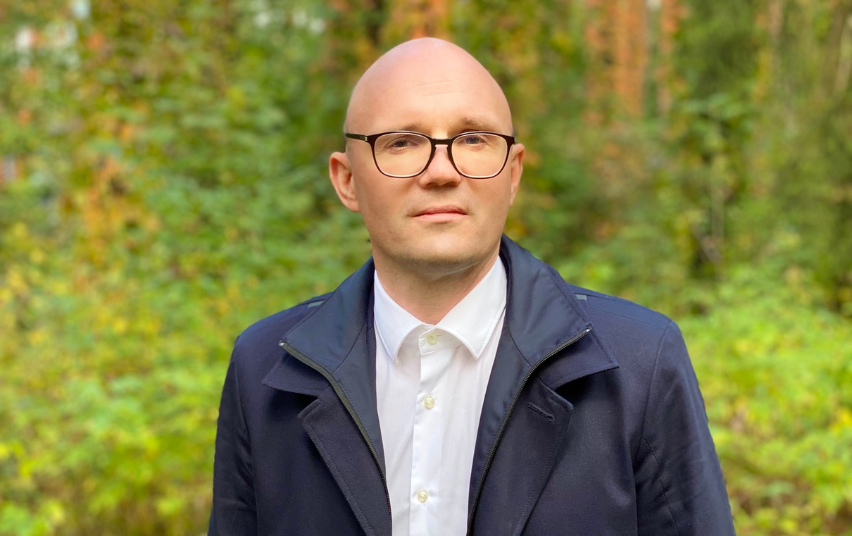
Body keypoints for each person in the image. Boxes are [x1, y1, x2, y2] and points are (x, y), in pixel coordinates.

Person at [208, 38, 736, 536]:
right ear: (346, 180)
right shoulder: (266, 369)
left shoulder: (639, 363)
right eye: (401, 142)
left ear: (513, 172)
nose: (441, 172)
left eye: (473, 139)